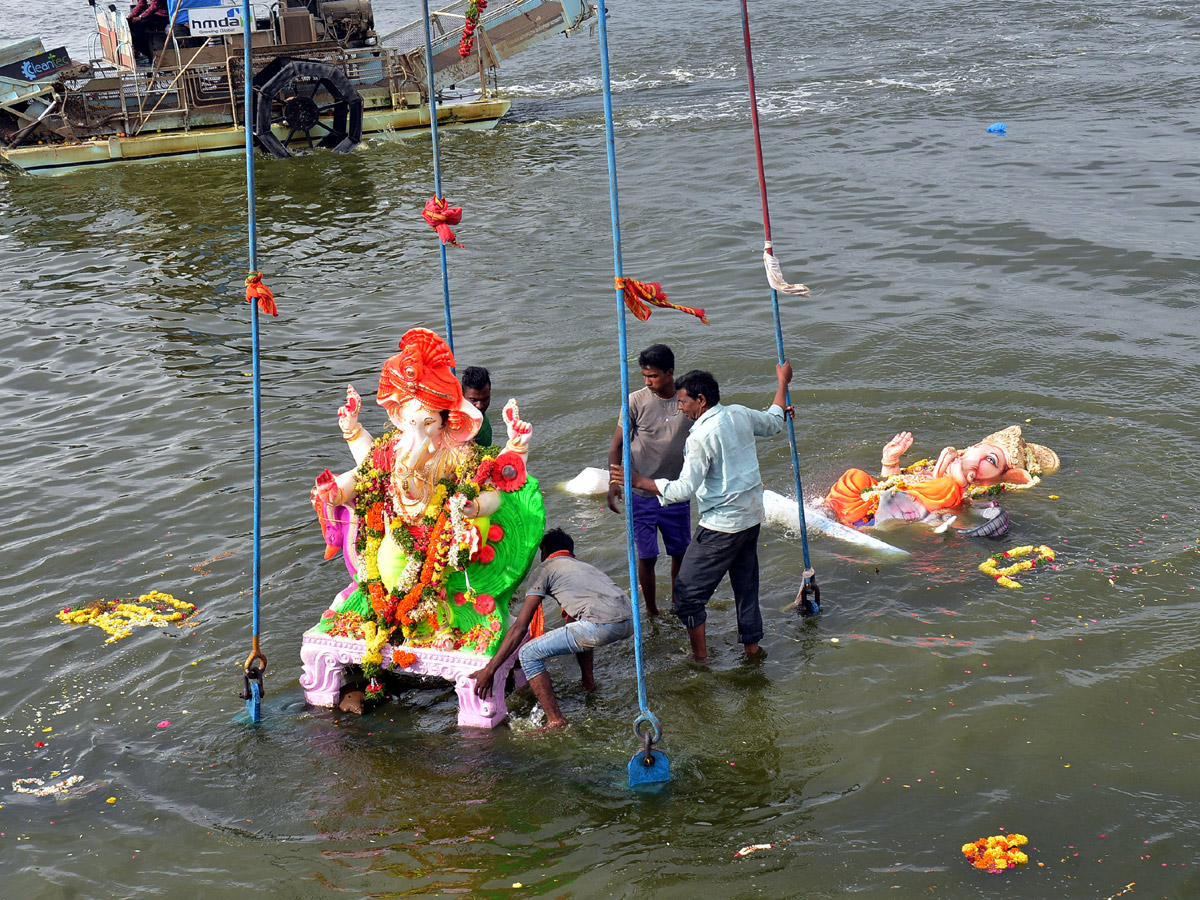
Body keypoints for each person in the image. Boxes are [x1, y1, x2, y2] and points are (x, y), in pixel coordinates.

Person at [614, 362, 793, 661]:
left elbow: (684, 489)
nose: (680, 407)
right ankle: (751, 649)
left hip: (721, 525)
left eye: (683, 401)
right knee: (746, 588)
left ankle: (700, 657)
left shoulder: (699, 437)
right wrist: (782, 383)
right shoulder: (739, 413)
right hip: (751, 518)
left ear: (701, 401)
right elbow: (774, 421)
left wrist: (640, 482)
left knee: (686, 596)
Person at [470, 528, 634, 728]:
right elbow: (575, 623)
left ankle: (555, 721)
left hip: (602, 624)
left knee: (529, 654)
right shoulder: (582, 566)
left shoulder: (545, 569)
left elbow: (520, 626)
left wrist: (490, 669)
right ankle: (589, 685)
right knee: (579, 631)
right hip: (629, 621)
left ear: (545, 552)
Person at [825, 425, 1060, 527]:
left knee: (947, 487)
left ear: (1003, 475)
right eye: (981, 449)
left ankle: (887, 519)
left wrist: (959, 485)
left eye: (992, 461)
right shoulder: (937, 464)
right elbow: (889, 484)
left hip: (914, 512)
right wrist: (890, 460)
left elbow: (961, 516)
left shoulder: (979, 491)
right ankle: (833, 510)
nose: (980, 459)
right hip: (881, 502)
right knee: (854, 476)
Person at [606, 343, 692, 618]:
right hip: (641, 495)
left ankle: (678, 602)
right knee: (647, 556)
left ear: (670, 373)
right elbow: (616, 445)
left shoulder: (687, 398)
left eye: (653, 376)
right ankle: (653, 610)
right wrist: (613, 482)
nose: (648, 382)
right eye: (645, 376)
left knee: (680, 552)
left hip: (675, 491)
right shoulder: (634, 401)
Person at [460, 366, 493, 447]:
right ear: (462, 395)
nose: (479, 406)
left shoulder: (485, 428)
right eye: (473, 400)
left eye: (485, 399)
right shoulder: (448, 419)